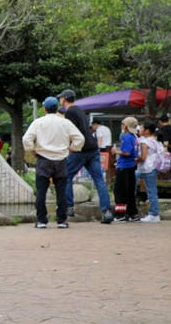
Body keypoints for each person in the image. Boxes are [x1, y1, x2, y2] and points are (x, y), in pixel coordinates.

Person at [22, 95, 84, 228]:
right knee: (61, 191)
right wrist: (71, 149)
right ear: (57, 108)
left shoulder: (38, 122)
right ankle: (62, 220)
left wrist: (32, 150)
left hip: (43, 160)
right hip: (61, 160)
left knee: (41, 191)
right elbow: (80, 138)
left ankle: (41, 220)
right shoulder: (65, 122)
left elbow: (26, 139)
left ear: (44, 108)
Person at [58, 90, 114, 224]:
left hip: (80, 148)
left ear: (64, 99)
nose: (60, 100)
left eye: (60, 98)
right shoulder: (80, 110)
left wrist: (70, 147)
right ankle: (106, 212)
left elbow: (71, 131)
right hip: (92, 148)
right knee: (99, 180)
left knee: (66, 175)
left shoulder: (70, 112)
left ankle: (69, 207)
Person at [111, 116, 141, 222]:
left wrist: (116, 151)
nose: (122, 126)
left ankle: (120, 214)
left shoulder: (126, 137)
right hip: (131, 166)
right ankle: (132, 213)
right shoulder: (134, 136)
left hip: (123, 166)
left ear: (126, 126)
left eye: (123, 124)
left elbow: (127, 152)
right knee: (129, 191)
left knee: (120, 191)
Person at [135, 121, 164, 222]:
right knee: (152, 191)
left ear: (147, 131)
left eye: (141, 128)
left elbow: (142, 157)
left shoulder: (145, 142)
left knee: (151, 191)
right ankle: (153, 213)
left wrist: (134, 160)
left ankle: (154, 214)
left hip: (146, 168)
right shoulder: (154, 140)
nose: (139, 129)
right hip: (152, 167)